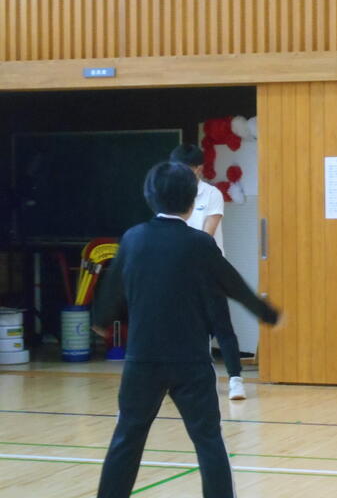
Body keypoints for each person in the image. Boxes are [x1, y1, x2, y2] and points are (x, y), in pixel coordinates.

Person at [93, 161, 281, 498]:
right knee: (208, 440)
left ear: (149, 196)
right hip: (191, 362)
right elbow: (233, 284)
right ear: (193, 200)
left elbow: (112, 290)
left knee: (127, 438)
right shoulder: (200, 244)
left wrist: (102, 319)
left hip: (142, 361)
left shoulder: (133, 239)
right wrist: (266, 313)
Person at [170, 143, 246, 401]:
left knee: (220, 324)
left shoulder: (211, 194)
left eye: (184, 168)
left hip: (209, 269)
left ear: (198, 169)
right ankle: (201, 376)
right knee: (188, 327)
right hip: (181, 270)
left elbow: (207, 233)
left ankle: (236, 379)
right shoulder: (171, 195)